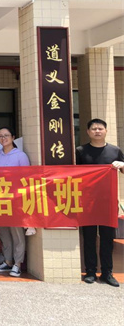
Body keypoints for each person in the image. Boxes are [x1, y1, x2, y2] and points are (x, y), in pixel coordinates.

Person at [76, 119, 124, 287]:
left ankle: (107, 273)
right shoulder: (81, 151)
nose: (97, 131)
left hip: (108, 201)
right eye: (94, 129)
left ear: (106, 131)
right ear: (88, 132)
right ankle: (90, 271)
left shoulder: (115, 151)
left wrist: (122, 164)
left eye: (100, 128)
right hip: (87, 201)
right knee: (89, 237)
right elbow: (74, 174)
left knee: (107, 238)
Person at [0, 126, 30, 278]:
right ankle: (7, 261)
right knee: (3, 231)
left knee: (16, 232)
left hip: (15, 199)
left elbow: (26, 178)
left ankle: (17, 263)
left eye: (6, 135)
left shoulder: (21, 155)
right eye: (0, 136)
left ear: (13, 137)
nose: (3, 138)